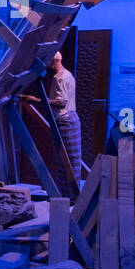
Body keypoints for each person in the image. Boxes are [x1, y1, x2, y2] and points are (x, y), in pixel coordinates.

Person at [48, 51, 82, 194]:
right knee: (70, 160)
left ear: (53, 61)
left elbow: (61, 102)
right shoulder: (67, 73)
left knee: (65, 161)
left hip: (65, 120)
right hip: (70, 118)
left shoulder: (60, 78)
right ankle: (70, 195)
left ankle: (68, 196)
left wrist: (39, 100)